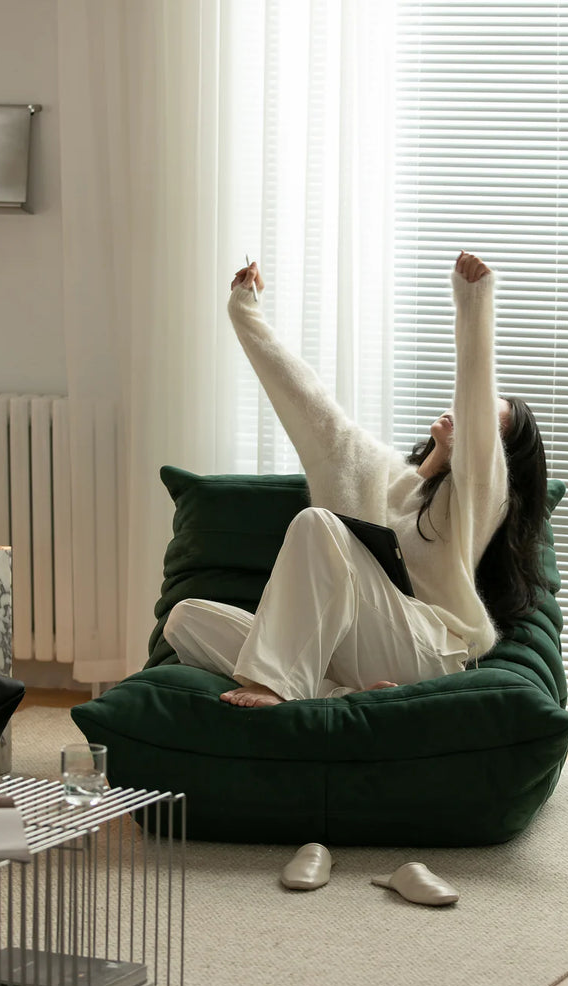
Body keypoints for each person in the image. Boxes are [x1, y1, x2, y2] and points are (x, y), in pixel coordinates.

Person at [163, 252, 548, 708]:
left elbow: (481, 450)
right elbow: (308, 402)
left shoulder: (476, 502)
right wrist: (244, 312)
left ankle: (272, 687)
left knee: (317, 523)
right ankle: (336, 693)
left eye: (483, 417)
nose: (464, 412)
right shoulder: (373, 470)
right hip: (349, 644)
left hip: (422, 647)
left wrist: (474, 303)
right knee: (184, 619)